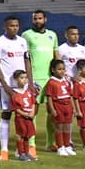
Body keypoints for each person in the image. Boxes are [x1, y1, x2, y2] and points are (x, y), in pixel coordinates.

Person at [0, 15, 29, 162]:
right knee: (6, 115)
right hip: (7, 86)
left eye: (16, 25)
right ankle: (4, 149)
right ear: (5, 27)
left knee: (23, 118)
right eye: (11, 26)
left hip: (23, 86)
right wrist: (5, 86)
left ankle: (22, 151)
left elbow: (27, 61)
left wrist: (29, 82)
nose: (14, 28)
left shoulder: (22, 42)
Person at [22, 9, 59, 144]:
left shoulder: (52, 35)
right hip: (35, 79)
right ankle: (31, 144)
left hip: (50, 79)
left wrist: (60, 74)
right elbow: (25, 58)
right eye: (35, 19)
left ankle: (51, 143)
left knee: (52, 111)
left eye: (40, 18)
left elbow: (57, 55)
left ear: (45, 20)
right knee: (33, 111)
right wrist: (29, 79)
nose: (38, 21)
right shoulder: (26, 35)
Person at [45, 59, 76, 154]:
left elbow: (70, 95)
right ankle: (60, 147)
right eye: (59, 69)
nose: (62, 71)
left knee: (67, 126)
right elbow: (49, 97)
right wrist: (52, 109)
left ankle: (67, 145)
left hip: (67, 106)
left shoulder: (66, 81)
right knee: (59, 127)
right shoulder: (51, 82)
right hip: (58, 105)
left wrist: (73, 108)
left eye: (63, 69)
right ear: (53, 70)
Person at [9, 70, 37, 161]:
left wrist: (32, 113)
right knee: (20, 135)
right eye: (22, 78)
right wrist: (24, 114)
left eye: (25, 78)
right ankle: (21, 153)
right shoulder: (14, 93)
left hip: (29, 117)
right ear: (16, 80)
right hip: (20, 118)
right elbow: (15, 108)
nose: (24, 80)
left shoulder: (28, 91)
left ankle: (26, 152)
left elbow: (33, 102)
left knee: (27, 135)